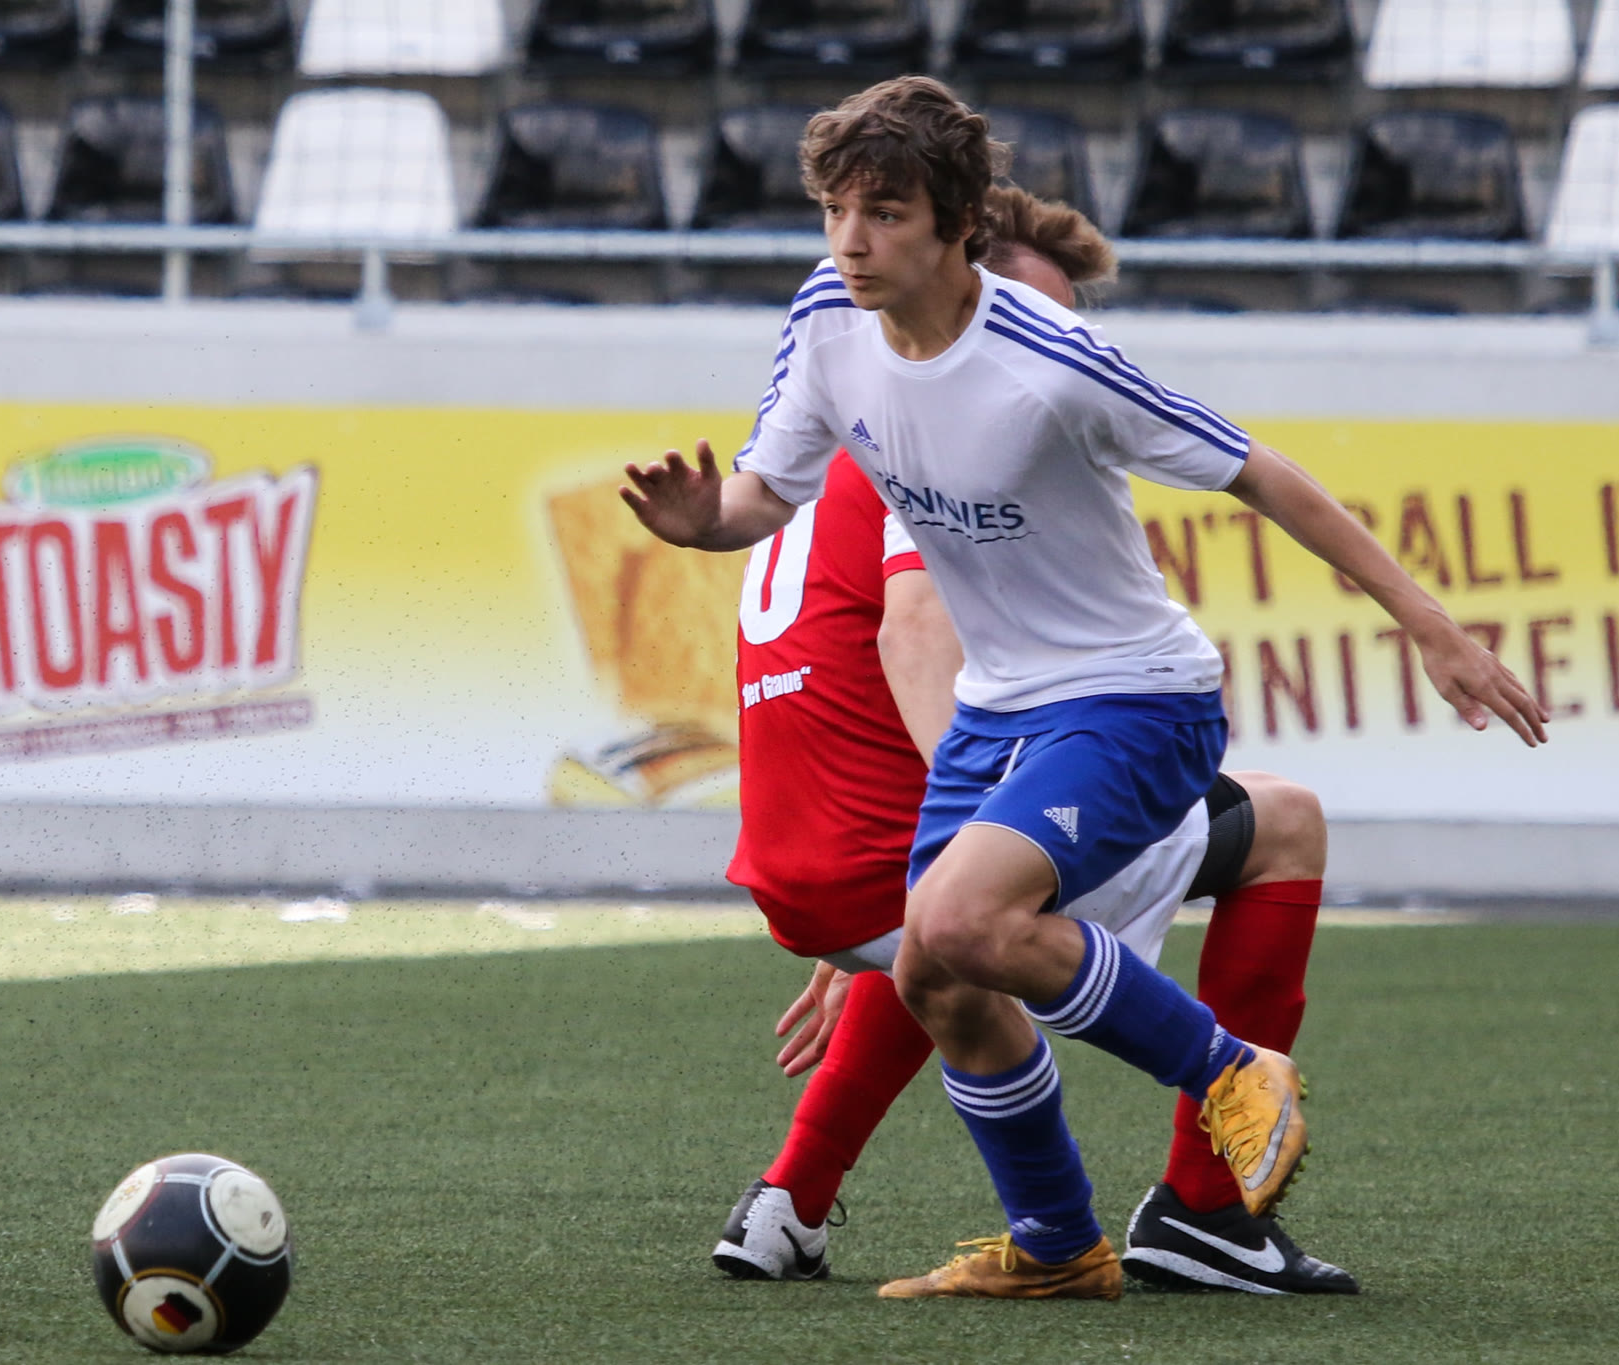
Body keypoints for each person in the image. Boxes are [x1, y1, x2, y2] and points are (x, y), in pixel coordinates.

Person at [621, 76, 1546, 1300]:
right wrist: (704, 523)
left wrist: (1430, 627)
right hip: (998, 714)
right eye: (835, 211)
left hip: (1131, 700)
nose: (850, 241)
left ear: (957, 225)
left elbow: (1260, 473)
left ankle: (1227, 1072)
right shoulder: (827, 315)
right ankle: (1059, 1249)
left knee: (961, 924)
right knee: (935, 977)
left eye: (884, 214)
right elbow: (761, 495)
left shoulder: (1051, 359)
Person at [711, 186, 1353, 1298]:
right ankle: (1207, 1210)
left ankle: (790, 1201)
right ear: (964, 285)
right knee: (1278, 821)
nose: (1051, 344)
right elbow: (914, 632)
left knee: (946, 934)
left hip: (802, 857)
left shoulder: (841, 410)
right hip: (875, 848)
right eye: (1029, 311)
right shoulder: (942, 430)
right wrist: (954, 849)